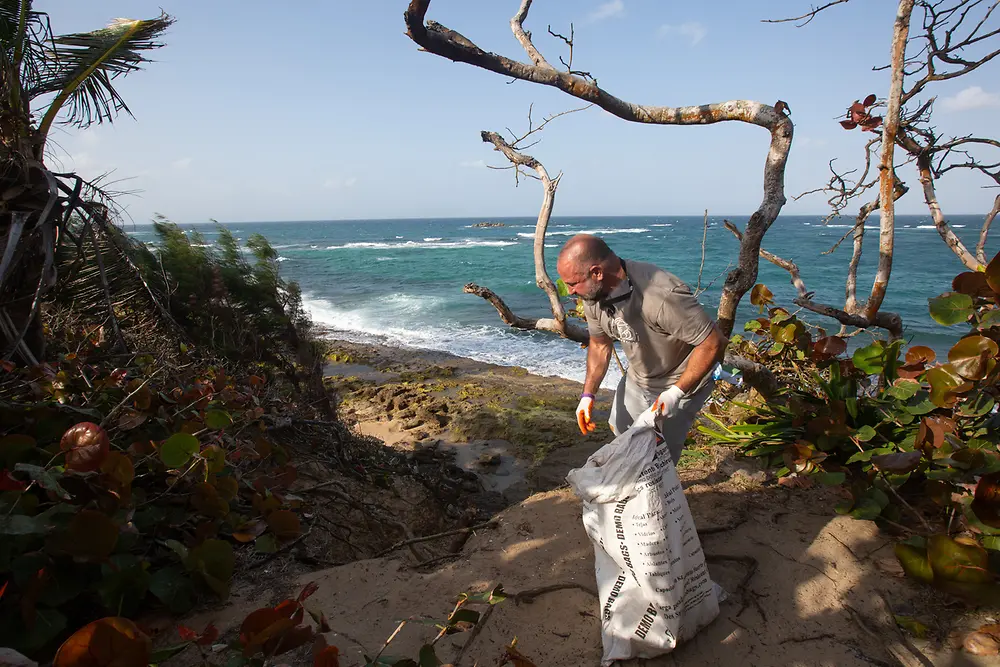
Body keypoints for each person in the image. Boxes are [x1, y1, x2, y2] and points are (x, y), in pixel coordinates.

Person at [556, 234, 727, 465]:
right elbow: (599, 343)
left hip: (681, 381)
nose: (570, 292)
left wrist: (675, 394)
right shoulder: (593, 294)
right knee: (623, 432)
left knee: (659, 457)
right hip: (640, 377)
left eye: (573, 284)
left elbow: (713, 342)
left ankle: (662, 496)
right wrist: (588, 395)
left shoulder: (661, 295)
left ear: (597, 272)